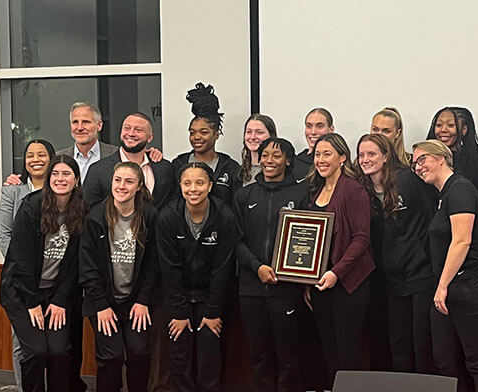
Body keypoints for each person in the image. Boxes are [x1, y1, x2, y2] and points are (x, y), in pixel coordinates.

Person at [413, 140, 478, 392]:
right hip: (449, 289)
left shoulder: (460, 189)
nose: (417, 167)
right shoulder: (444, 195)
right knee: (444, 360)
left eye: (422, 159)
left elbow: (462, 241)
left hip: (469, 286)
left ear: (441, 158)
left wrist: (442, 286)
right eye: (414, 163)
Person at [0, 155, 85, 392]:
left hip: (57, 295)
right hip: (22, 293)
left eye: (66, 174)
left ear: (76, 180)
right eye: (55, 174)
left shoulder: (81, 211)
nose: (60, 179)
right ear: (48, 179)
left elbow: (76, 264)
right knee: (36, 351)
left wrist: (59, 301)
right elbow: (21, 260)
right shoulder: (31, 206)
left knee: (59, 352)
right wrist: (32, 302)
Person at [156, 162, 240, 392]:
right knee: (179, 356)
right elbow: (169, 269)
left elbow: (223, 269)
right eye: (187, 183)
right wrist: (179, 313)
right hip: (177, 297)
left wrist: (213, 311)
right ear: (180, 186)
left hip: (211, 297)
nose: (193, 188)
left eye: (200, 183)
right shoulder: (167, 217)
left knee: (209, 355)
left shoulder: (224, 216)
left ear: (211, 186)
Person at [356, 134, 436, 373]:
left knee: (422, 343)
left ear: (386, 156)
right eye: (361, 155)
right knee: (398, 343)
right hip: (390, 281)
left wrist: (425, 257)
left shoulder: (408, 180)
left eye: (371, 154)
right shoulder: (363, 191)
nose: (365, 159)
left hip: (421, 275)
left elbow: (432, 217)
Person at [234, 137, 309, 392]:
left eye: (276, 156)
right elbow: (236, 241)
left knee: (289, 355)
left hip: (286, 288)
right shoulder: (245, 194)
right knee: (259, 354)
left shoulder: (302, 194)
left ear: (288, 161)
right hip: (251, 288)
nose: (269, 161)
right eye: (265, 155)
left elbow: (308, 242)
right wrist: (257, 267)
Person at [79, 162, 158, 392]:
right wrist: (101, 306)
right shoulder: (95, 217)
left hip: (137, 302)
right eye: (117, 180)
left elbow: (154, 265)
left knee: (139, 353)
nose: (121, 186)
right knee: (111, 356)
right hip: (103, 302)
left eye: (129, 181)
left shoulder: (150, 217)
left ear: (139, 186)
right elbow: (88, 268)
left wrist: (143, 300)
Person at [304, 133, 375, 388]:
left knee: (348, 352)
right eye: (317, 155)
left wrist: (336, 272)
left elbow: (361, 238)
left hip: (348, 284)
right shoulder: (316, 190)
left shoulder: (354, 190)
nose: (321, 160)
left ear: (343, 158)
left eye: (327, 154)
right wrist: (306, 279)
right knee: (329, 350)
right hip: (321, 284)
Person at [0, 139, 56, 392]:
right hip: (20, 281)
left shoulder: (61, 189)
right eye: (30, 155)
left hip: (54, 280)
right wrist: (25, 268)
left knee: (55, 345)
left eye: (41, 154)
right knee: (23, 343)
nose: (35, 159)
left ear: (52, 159)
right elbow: (3, 234)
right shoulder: (12, 191)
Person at [83, 111, 174, 210]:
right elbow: (89, 209)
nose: (131, 133)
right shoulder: (98, 170)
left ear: (150, 138)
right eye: (127, 128)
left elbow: (170, 204)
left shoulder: (165, 168)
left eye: (138, 130)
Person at [171, 82, 240, 205]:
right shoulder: (178, 165)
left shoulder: (231, 168)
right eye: (192, 133)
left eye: (204, 132)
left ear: (216, 134)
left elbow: (235, 206)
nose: (196, 137)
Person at [426, 107, 478, 205]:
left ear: (464, 129)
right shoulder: (424, 164)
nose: (443, 130)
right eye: (439, 125)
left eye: (451, 125)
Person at [291, 108, 335, 182]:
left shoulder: (336, 162)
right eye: (309, 126)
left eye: (319, 126)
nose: (313, 132)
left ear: (331, 129)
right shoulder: (295, 162)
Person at [238, 114, 278, 186]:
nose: (253, 137)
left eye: (259, 132)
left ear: (271, 135)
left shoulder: (279, 170)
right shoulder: (239, 172)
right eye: (249, 132)